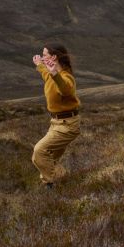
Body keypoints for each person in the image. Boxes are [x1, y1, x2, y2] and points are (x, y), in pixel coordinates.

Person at [31, 44, 81, 189]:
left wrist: (54, 73)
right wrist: (40, 65)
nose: (42, 57)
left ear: (54, 57)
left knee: (39, 151)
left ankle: (49, 185)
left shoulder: (66, 77)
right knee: (48, 157)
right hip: (56, 123)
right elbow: (46, 74)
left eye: (44, 55)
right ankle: (58, 180)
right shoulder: (50, 75)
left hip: (68, 125)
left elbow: (65, 89)